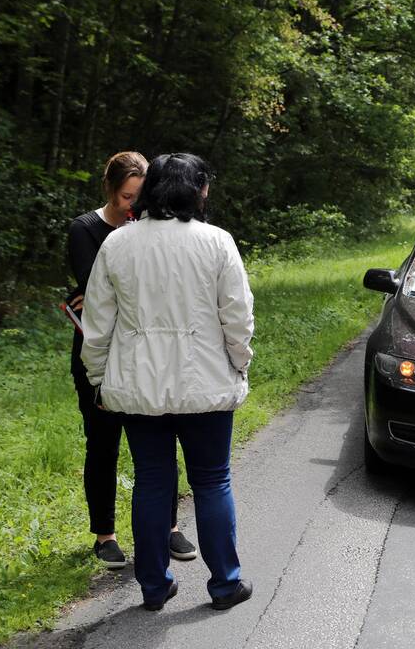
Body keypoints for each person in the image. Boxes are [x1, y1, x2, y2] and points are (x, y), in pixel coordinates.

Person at [81, 153, 255, 611]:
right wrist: (240, 363)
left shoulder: (118, 244)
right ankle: (224, 585)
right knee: (213, 480)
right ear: (202, 190)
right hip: (206, 385)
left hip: (141, 388)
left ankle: (155, 588)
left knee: (153, 482)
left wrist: (98, 378)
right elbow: (237, 317)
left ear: (151, 189)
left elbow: (97, 323)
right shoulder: (217, 242)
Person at [67, 151, 197, 569]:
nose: (132, 206)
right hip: (100, 353)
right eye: (126, 196)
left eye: (139, 197)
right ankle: (104, 534)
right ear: (110, 189)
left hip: (146, 355)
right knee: (102, 445)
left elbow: (113, 296)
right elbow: (99, 294)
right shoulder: (85, 230)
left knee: (160, 446)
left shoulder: (150, 230)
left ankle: (170, 527)